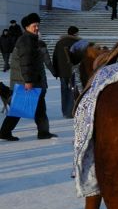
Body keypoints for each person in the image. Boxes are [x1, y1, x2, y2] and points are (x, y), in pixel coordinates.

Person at [0, 13, 57, 141]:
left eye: (38, 25)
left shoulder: (31, 39)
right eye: (34, 26)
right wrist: (28, 81)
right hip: (28, 81)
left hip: (34, 81)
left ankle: (43, 132)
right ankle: (5, 132)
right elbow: (25, 62)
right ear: (26, 27)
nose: (37, 28)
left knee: (40, 108)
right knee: (20, 108)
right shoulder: (26, 40)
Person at [52, 26, 80, 118]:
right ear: (75, 33)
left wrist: (56, 71)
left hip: (62, 72)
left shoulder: (59, 43)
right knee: (73, 90)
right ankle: (71, 111)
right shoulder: (78, 43)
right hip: (74, 71)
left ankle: (65, 111)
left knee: (64, 91)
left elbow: (55, 57)